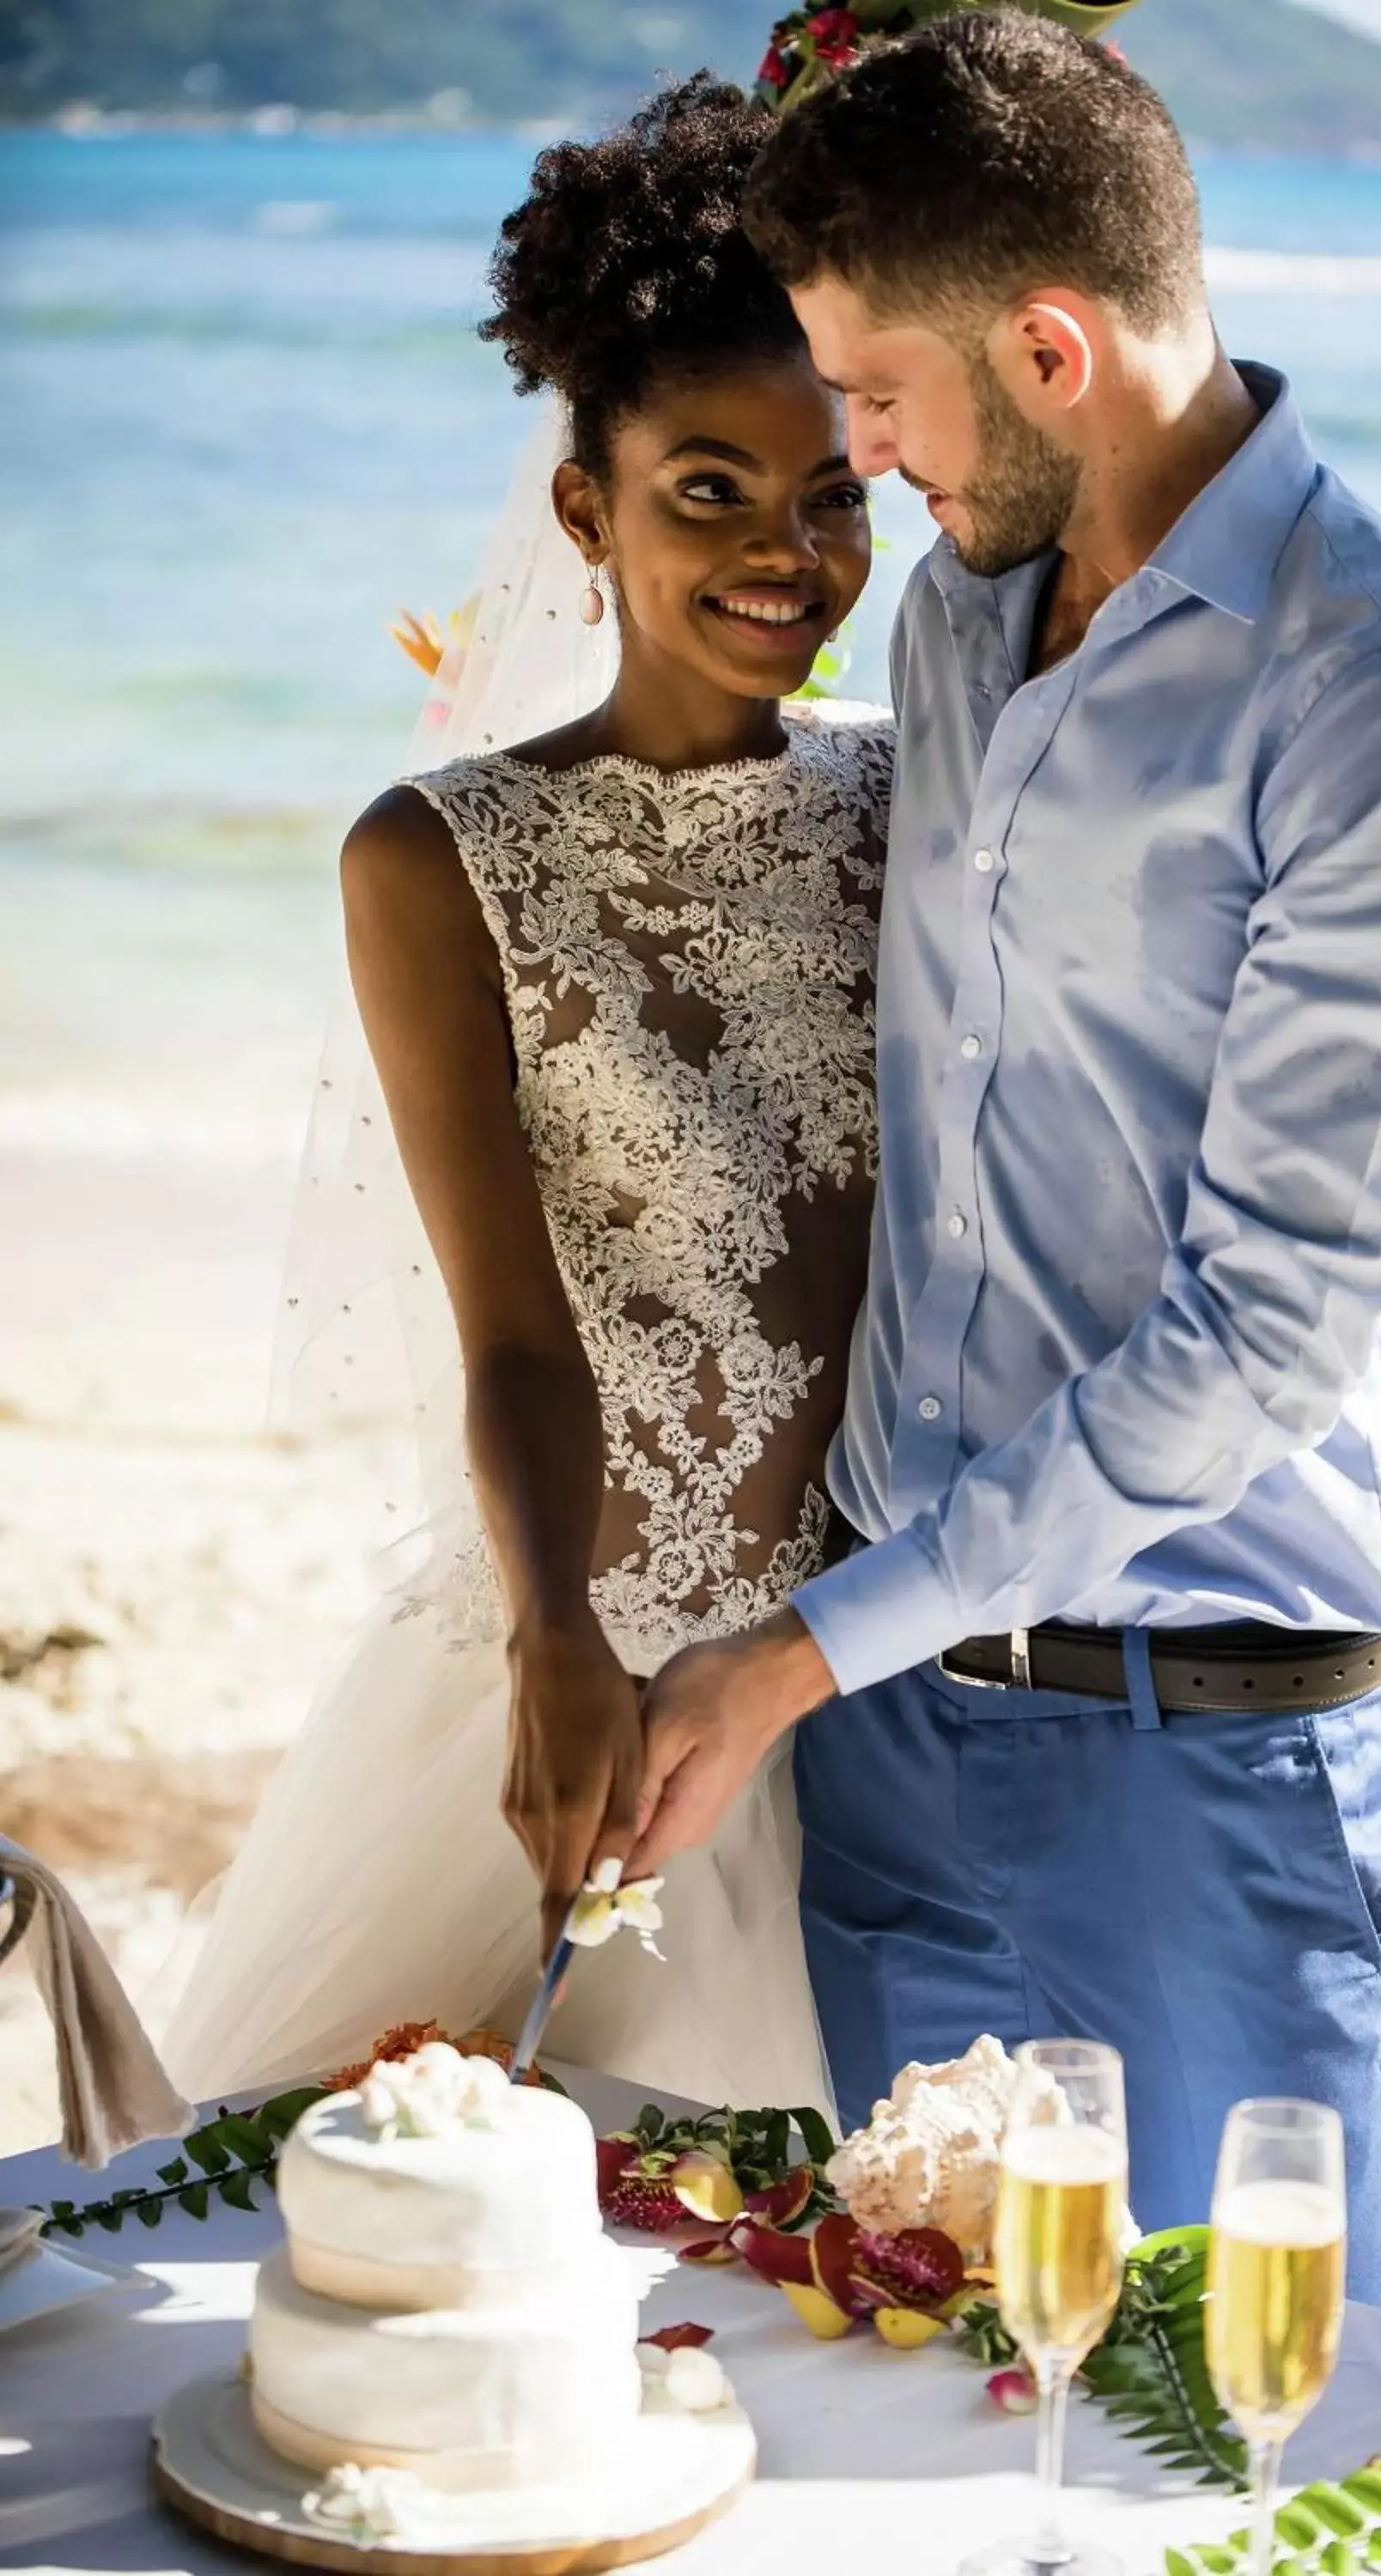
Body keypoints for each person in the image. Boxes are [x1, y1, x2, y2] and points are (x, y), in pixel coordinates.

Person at [623, 15, 1381, 2310]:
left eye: (876, 392)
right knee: (913, 2417)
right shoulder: (966, 607)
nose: (853, 458)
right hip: (892, 1731)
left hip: (1207, 1776)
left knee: (1246, 2480)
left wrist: (789, 1657)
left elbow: (1257, 1340)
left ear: (1054, 347)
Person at [158, 76, 887, 2113]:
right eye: (708, 491)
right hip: (586, 1663)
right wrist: (554, 1632)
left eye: (831, 492)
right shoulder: (438, 854)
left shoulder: (923, 805)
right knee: (395, 2251)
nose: (785, 551)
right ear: (588, 509)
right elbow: (504, 1321)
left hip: (860, 1690)